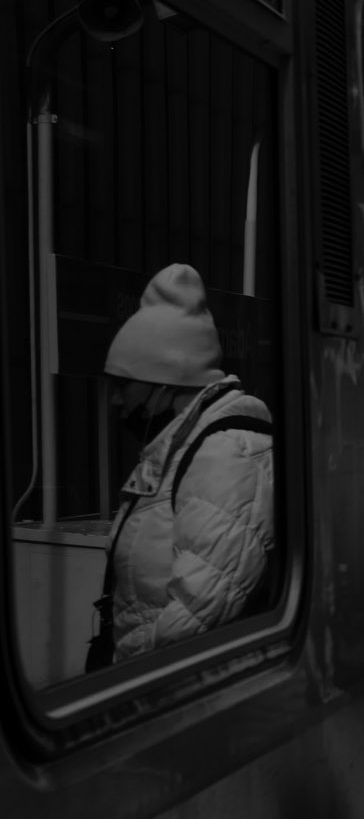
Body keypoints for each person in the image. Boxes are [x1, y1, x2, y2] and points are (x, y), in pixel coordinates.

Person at [95, 264, 275, 666]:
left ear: (164, 382)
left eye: (123, 385)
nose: (116, 402)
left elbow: (197, 618)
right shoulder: (182, 445)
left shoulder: (227, 458)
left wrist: (120, 676)